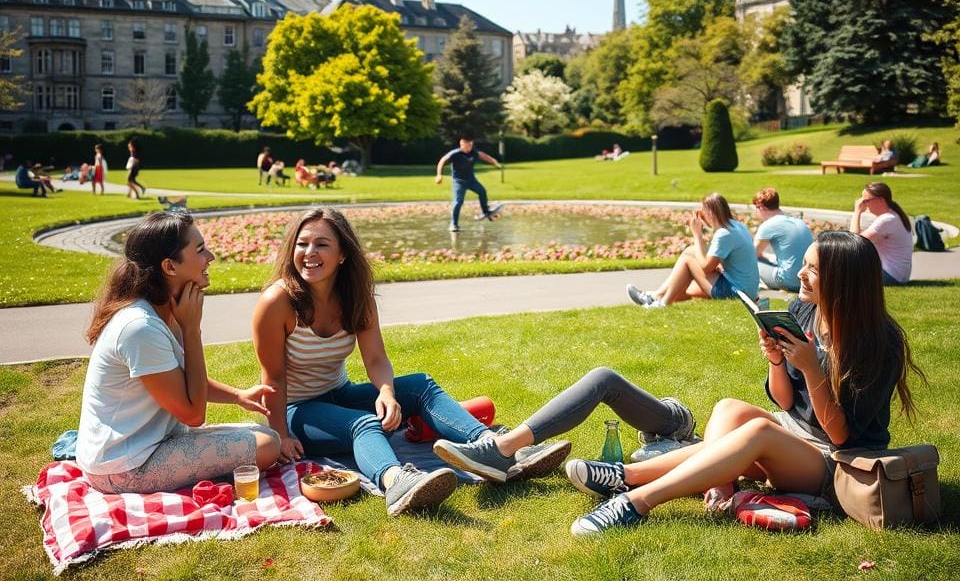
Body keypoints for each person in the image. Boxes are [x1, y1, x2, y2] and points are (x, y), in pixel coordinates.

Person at [565, 231, 923, 535]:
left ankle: (635, 502)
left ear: (843, 281)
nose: (800, 274)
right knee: (729, 409)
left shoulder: (878, 343)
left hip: (838, 461)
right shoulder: (803, 310)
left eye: (813, 269)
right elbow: (785, 404)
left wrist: (812, 369)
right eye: (805, 263)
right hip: (795, 435)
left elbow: (842, 436)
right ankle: (630, 475)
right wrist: (776, 359)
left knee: (757, 434)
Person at [250, 208, 558, 517]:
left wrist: (385, 392)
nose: (309, 253)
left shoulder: (356, 296)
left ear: (342, 254)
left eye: (321, 244)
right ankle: (397, 481)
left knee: (420, 386)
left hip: (338, 393)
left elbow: (375, 357)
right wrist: (280, 436)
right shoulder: (277, 302)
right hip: (296, 411)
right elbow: (273, 378)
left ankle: (495, 447)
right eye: (302, 244)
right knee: (365, 424)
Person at [75, 212, 280, 494]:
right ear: (170, 266)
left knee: (263, 434)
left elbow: (178, 381)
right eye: (199, 250)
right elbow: (193, 415)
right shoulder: (140, 328)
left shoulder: (166, 311)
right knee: (267, 446)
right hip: (124, 467)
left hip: (152, 445)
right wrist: (192, 330)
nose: (211, 257)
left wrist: (237, 396)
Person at [433, 369, 693, 482]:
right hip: (670, 429)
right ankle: (504, 448)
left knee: (604, 378)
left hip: (678, 428)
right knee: (604, 378)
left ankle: (502, 448)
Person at [627, 193, 759, 308]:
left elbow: (706, 268)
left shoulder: (723, 233)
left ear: (711, 213)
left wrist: (697, 235)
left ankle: (661, 302)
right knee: (685, 287)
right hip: (746, 290)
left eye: (703, 212)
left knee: (687, 260)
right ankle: (655, 296)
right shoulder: (737, 226)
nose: (701, 216)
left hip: (737, 293)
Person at [751, 188, 814, 293]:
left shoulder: (768, 225)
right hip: (808, 279)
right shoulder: (798, 222)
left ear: (760, 206)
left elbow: (751, 257)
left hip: (789, 281)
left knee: (747, 265)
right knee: (766, 259)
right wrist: (765, 256)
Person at [850, 182, 913, 285]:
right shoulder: (894, 215)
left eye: (866, 201)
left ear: (881, 200)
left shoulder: (887, 220)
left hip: (891, 276)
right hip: (897, 274)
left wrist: (857, 212)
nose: (864, 204)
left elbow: (854, 242)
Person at [435, 136, 501, 232]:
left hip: (471, 180)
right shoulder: (455, 154)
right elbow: (442, 161)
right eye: (466, 145)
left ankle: (486, 212)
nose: (468, 147)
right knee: (458, 202)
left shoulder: (474, 153)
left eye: (470, 145)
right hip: (459, 182)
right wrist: (439, 175)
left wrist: (494, 162)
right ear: (461, 145)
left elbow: (484, 156)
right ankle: (453, 224)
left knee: (482, 192)